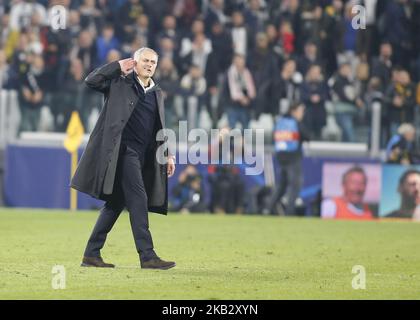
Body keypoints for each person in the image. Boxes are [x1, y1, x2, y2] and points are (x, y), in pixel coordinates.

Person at [71, 47, 176, 270]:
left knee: (115, 204)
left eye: (153, 62)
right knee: (138, 199)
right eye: (145, 60)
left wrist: (167, 155)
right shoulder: (119, 83)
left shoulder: (156, 92)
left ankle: (91, 254)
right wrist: (116, 66)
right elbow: (91, 80)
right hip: (122, 152)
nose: (149, 65)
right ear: (134, 63)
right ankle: (147, 256)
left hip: (141, 156)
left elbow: (159, 128)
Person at [267, 102, 309, 215]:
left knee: (281, 185)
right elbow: (307, 136)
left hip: (281, 157)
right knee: (295, 185)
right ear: (294, 111)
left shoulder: (280, 122)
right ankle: (289, 211)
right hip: (294, 157)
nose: (302, 114)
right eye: (301, 111)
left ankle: (268, 209)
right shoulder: (296, 123)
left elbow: (274, 138)